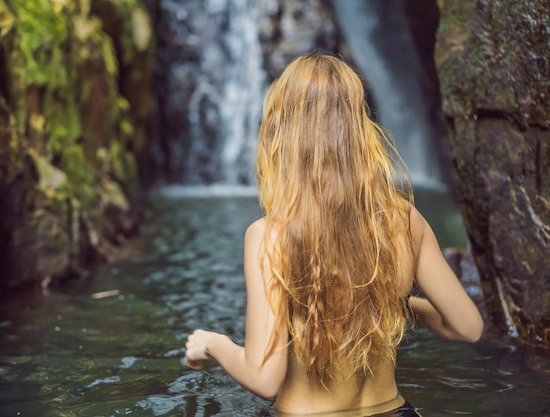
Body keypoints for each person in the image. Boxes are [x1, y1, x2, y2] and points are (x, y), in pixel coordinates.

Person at [184, 52, 484, 416]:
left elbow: (264, 379)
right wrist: (401, 304)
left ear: (280, 132)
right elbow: (468, 327)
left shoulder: (269, 236)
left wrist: (211, 342)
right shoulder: (404, 218)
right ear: (360, 128)